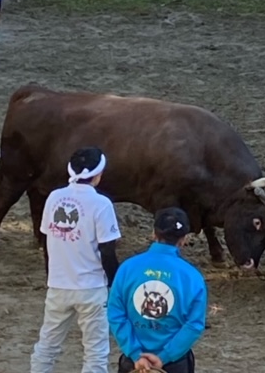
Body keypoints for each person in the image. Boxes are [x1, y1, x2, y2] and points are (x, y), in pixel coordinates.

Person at [30, 146, 122, 373]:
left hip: (59, 285)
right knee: (95, 352)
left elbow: (47, 241)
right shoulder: (102, 205)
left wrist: (52, 275)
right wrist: (115, 282)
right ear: (98, 175)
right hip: (91, 288)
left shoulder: (53, 198)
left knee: (47, 345)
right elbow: (107, 252)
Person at [108, 207, 208, 373]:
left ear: (154, 233)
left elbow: (115, 313)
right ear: (184, 239)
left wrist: (135, 353)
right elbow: (194, 325)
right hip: (175, 363)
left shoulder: (127, 268)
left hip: (133, 362)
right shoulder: (192, 277)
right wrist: (164, 357)